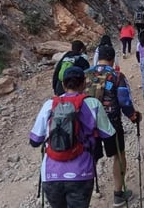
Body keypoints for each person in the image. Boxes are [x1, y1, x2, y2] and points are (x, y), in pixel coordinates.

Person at [29, 66, 116, 208]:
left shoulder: (50, 104)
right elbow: (109, 135)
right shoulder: (93, 104)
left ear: (63, 84)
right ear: (84, 83)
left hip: (51, 174)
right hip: (81, 174)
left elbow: (35, 141)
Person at [85, 46, 142, 207]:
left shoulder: (86, 74)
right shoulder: (117, 76)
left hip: (89, 124)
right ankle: (118, 194)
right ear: (112, 59)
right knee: (119, 155)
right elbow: (124, 101)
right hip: (111, 123)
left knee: (90, 159)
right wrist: (133, 116)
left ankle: (85, 196)